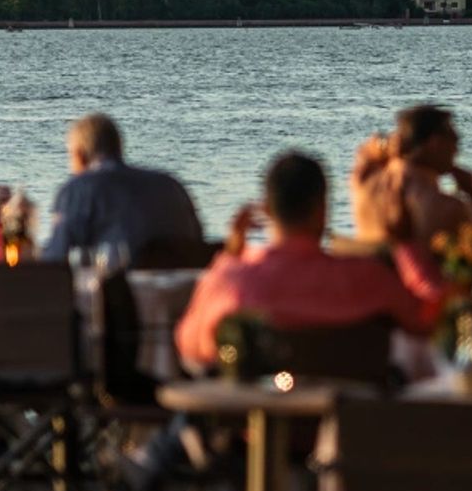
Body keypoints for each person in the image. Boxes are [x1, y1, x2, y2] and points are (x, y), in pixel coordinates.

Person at [175, 150, 444, 370]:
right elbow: (431, 319)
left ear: (267, 209)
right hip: (347, 426)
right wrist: (405, 244)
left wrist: (229, 256)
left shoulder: (231, 281)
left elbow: (190, 344)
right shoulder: (366, 278)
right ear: (322, 209)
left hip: (254, 428)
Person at [40, 113, 204, 266]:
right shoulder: (172, 185)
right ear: (118, 147)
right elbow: (199, 242)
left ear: (79, 155)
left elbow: (56, 260)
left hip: (120, 293)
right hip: (183, 292)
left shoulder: (77, 191)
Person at [349, 104, 472, 247]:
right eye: (455, 141)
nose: (457, 150)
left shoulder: (363, 180)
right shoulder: (450, 208)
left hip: (371, 267)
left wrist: (389, 143)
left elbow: (366, 150)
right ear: (435, 143)